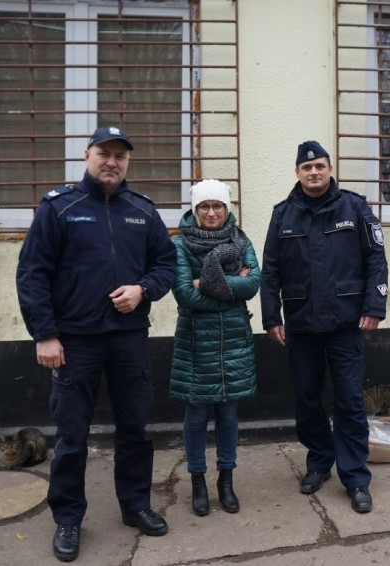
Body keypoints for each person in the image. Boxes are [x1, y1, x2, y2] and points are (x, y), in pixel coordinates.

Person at [16, 126, 177, 562]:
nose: (112, 162)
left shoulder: (142, 211)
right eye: (104, 153)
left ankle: (135, 505)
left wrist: (143, 290)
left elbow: (166, 264)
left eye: (120, 156)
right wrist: (45, 333)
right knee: (72, 435)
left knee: (136, 430)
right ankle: (68, 518)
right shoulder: (60, 208)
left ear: (128, 162)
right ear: (87, 156)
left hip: (128, 339)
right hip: (74, 342)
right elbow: (33, 274)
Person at [260, 140, 389, 514]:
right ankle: (319, 463)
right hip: (301, 326)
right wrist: (272, 318)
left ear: (330, 169)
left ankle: (355, 478)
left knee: (349, 401)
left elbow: (376, 260)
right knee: (308, 400)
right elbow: (271, 272)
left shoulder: (355, 207)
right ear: (297, 173)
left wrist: (374, 306)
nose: (313, 172)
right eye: (306, 168)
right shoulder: (283, 215)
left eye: (319, 166)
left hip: (346, 323)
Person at [169, 179, 260, 517]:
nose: (211, 212)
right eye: (204, 206)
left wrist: (205, 283)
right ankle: (197, 482)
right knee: (195, 416)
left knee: (228, 415)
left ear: (227, 208)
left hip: (234, 342)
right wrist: (228, 292)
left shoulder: (241, 239)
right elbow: (183, 293)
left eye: (217, 206)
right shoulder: (180, 246)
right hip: (196, 344)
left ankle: (226, 481)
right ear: (195, 210)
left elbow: (252, 284)